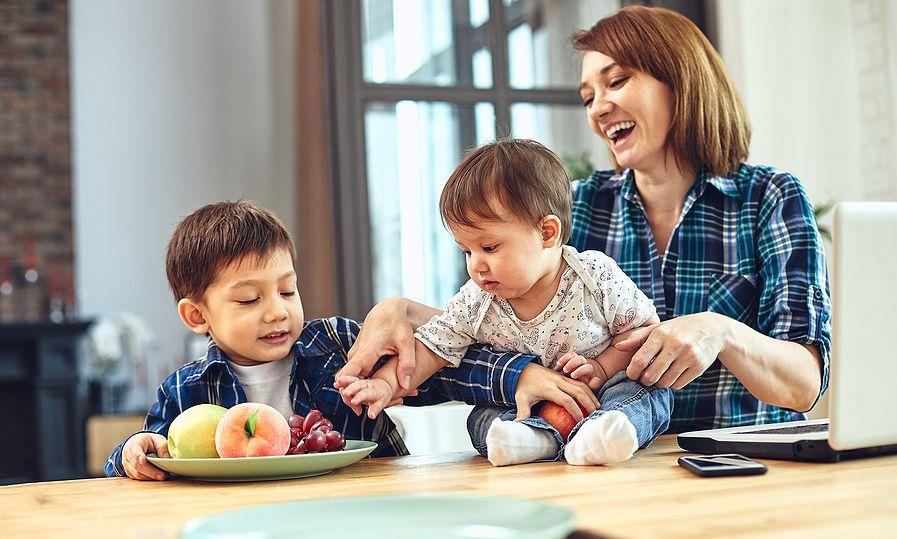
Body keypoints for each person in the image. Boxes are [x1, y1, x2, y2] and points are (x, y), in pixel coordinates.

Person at [337, 5, 831, 445]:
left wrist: (721, 331)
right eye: (588, 94)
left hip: (735, 467)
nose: (597, 108)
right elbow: (472, 335)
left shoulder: (769, 198)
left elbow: (804, 385)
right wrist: (408, 314)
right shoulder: (581, 206)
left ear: (681, 83)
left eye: (616, 82)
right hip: (598, 474)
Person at [105, 201, 531, 480]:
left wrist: (518, 375)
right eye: (249, 299)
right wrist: (133, 452)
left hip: (370, 510)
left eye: (287, 291)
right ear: (197, 315)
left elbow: (443, 367)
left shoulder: (339, 344)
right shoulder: (185, 391)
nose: (277, 311)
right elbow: (148, 457)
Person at [338, 139, 671, 466]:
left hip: (604, 392)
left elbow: (642, 332)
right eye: (466, 251)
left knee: (650, 393)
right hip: (528, 404)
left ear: (547, 233)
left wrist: (601, 368)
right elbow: (430, 348)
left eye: (490, 247)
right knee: (481, 418)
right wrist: (383, 384)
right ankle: (534, 438)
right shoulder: (476, 299)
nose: (476, 265)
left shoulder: (593, 274)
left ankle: (606, 434)